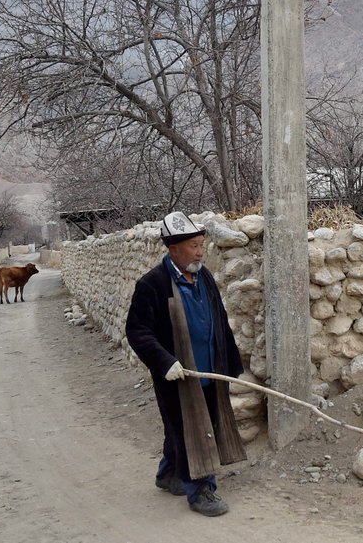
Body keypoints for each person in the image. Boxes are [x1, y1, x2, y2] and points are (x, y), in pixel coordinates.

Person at [125, 211, 244, 517]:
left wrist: (229, 363)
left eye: (201, 244)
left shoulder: (203, 276)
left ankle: (168, 474)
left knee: (179, 429)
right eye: (193, 246)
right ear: (173, 249)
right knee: (191, 430)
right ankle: (201, 490)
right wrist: (165, 361)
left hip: (209, 370)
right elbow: (137, 331)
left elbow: (219, 319)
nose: (200, 251)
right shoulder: (153, 284)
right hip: (177, 376)